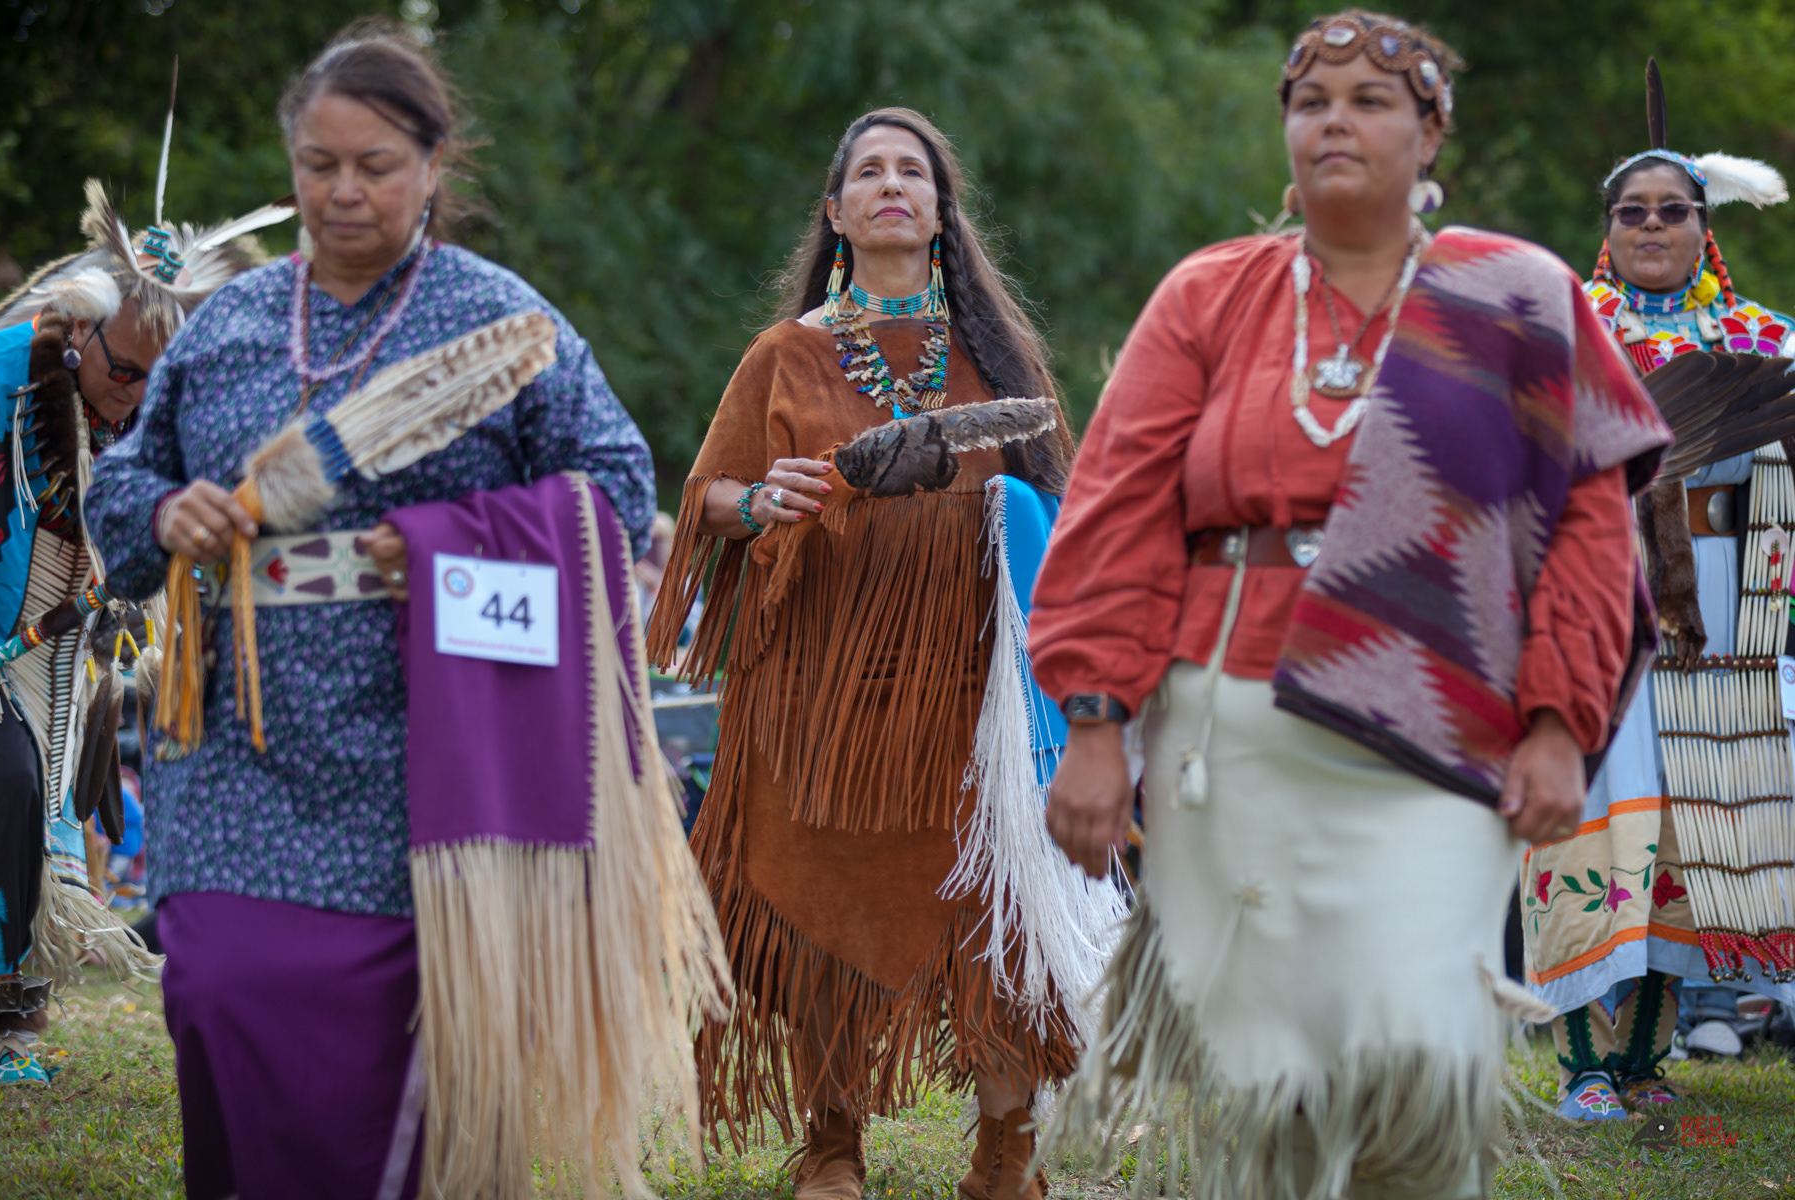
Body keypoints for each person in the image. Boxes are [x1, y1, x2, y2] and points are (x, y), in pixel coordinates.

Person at [1029, 10, 1671, 1198]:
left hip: (1439, 726)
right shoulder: (1211, 295)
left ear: (1433, 138)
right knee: (1270, 1083)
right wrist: (1097, 718)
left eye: (1372, 100)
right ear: (1284, 132)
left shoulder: (1516, 295)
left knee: (1413, 1050)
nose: (1335, 118)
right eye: (1311, 98)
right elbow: (1117, 507)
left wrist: (1559, 721)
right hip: (1231, 733)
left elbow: (1592, 529)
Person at [83, 23, 718, 1197]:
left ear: (433, 165)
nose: (344, 191)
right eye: (319, 164)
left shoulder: (502, 327)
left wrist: (440, 540)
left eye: (375, 164)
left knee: (371, 1060)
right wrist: (166, 512)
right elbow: (123, 478)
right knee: (219, 994)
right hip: (235, 739)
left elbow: (617, 492)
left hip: (420, 748)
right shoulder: (226, 325)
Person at [646, 106, 1123, 1200]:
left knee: (998, 909)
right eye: (870, 171)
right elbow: (709, 495)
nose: (893, 183)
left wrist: (1011, 510)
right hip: (819, 685)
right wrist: (767, 495)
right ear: (837, 211)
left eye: (914, 170)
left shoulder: (996, 355)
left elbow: (1064, 513)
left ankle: (1006, 1148)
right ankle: (832, 1140)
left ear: (943, 213)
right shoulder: (789, 353)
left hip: (969, 690)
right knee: (816, 899)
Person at [1523, 60, 1795, 1118]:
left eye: (1670, 211)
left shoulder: (1766, 345)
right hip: (1597, 602)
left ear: (1702, 226)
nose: (1650, 227)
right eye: (1631, 211)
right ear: (1608, 226)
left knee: (1691, 826)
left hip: (1721, 611)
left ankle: (1644, 1062)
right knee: (1600, 813)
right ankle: (1585, 1065)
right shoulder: (1560, 338)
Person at [0, 175, 275, 1084]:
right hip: (7, 628)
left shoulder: (162, 415)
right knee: (9, 786)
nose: (136, 393)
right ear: (79, 332)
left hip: (64, 653)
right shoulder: (6, 372)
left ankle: (16, 1022)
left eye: (158, 381)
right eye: (123, 372)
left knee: (48, 811)